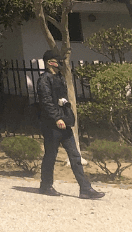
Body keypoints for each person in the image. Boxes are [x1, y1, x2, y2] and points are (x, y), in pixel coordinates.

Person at [36, 49, 103, 198]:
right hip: (51, 125)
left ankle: (85, 189)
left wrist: (66, 116)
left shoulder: (60, 78)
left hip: (65, 123)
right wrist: (56, 118)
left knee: (75, 156)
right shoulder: (44, 80)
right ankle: (46, 185)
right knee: (50, 156)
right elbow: (46, 102)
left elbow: (62, 98)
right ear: (49, 62)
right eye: (56, 60)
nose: (59, 63)